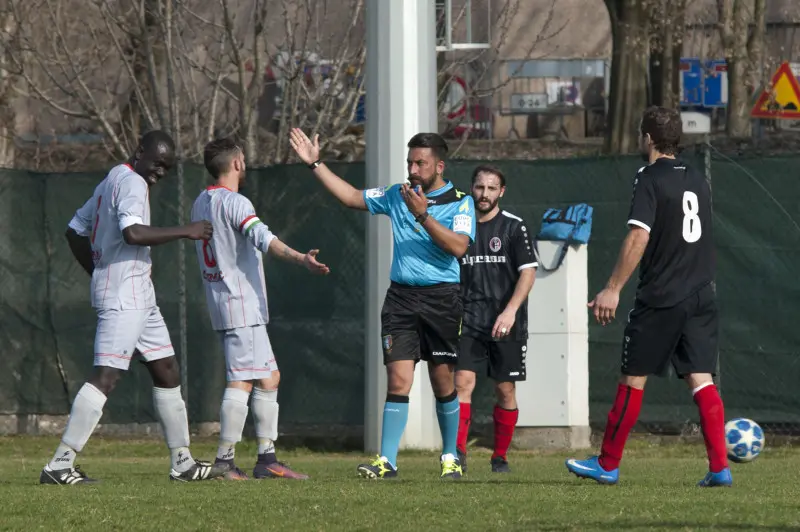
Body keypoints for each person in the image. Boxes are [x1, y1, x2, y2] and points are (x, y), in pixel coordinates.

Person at [41, 130, 226, 485]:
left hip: (139, 293)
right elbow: (133, 234)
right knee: (107, 376)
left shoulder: (114, 176)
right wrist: (187, 230)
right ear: (139, 151)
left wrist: (99, 270)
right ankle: (59, 465)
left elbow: (74, 229)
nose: (159, 172)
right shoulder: (132, 183)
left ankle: (182, 463)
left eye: (166, 168)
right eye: (156, 163)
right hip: (125, 295)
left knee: (166, 369)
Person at [289, 128, 475, 479]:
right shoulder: (396, 194)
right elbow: (352, 197)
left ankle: (451, 455)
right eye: (410, 162)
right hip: (401, 299)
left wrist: (422, 215)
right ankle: (386, 461)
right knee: (398, 379)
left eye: (420, 163)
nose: (413, 169)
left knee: (442, 381)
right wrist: (315, 164)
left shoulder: (461, 202)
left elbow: (459, 247)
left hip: (442, 299)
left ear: (439, 165)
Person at [565, 106, 731, 487]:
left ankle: (607, 463)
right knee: (702, 379)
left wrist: (612, 288)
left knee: (632, 380)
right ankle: (719, 467)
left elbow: (639, 236)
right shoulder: (696, 180)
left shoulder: (649, 176)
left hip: (662, 296)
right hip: (701, 294)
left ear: (649, 138)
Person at [191, 137, 330, 481]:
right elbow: (263, 239)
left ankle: (267, 459)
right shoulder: (236, 202)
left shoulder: (200, 202)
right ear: (237, 164)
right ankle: (224, 460)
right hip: (240, 304)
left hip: (225, 301)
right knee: (241, 381)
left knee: (270, 377)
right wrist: (302, 259)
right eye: (244, 159)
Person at [455, 165, 537, 474]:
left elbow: (528, 272)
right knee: (462, 382)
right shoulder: (459, 227)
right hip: (469, 319)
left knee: (505, 390)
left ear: (501, 192)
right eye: (479, 187)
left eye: (491, 188)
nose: (484, 194)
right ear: (471, 189)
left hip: (506, 322)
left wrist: (510, 310)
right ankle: (458, 453)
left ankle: (499, 455)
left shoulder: (514, 227)